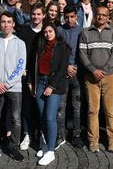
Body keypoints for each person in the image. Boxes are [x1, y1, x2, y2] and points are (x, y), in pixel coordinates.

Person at [0, 11, 26, 164]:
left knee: (16, 119)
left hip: (14, 87)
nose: (6, 24)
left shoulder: (20, 43)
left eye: (9, 22)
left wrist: (7, 84)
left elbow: (21, 65)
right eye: (3, 22)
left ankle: (13, 147)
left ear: (13, 24)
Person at [29, 22, 70, 165]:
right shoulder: (40, 46)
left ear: (55, 32)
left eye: (50, 31)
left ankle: (51, 151)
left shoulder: (61, 46)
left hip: (55, 85)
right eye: (45, 32)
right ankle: (45, 144)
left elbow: (62, 69)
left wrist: (51, 86)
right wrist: (31, 82)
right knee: (41, 116)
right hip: (40, 82)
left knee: (49, 117)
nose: (47, 34)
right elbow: (32, 65)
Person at [79, 6, 113, 153]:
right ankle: (93, 141)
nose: (101, 17)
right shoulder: (85, 32)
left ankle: (112, 141)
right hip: (91, 77)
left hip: (110, 76)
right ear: (94, 15)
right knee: (92, 110)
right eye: (99, 14)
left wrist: (105, 69)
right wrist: (93, 70)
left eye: (104, 15)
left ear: (108, 17)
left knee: (110, 111)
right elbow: (82, 54)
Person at [16, 2, 45, 151]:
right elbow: (18, 52)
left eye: (39, 14)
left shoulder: (46, 32)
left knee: (41, 107)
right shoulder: (24, 31)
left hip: (41, 74)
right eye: (34, 14)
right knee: (27, 106)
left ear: (43, 16)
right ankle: (26, 134)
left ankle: (41, 134)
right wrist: (22, 69)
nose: (36, 16)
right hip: (25, 73)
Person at [56, 5, 85, 149]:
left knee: (77, 106)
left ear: (76, 17)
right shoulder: (59, 30)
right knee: (61, 106)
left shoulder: (82, 31)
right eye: (66, 17)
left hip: (78, 74)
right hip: (63, 73)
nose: (69, 20)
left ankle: (77, 135)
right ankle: (60, 135)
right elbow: (56, 52)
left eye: (72, 17)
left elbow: (84, 53)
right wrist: (66, 66)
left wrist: (77, 67)